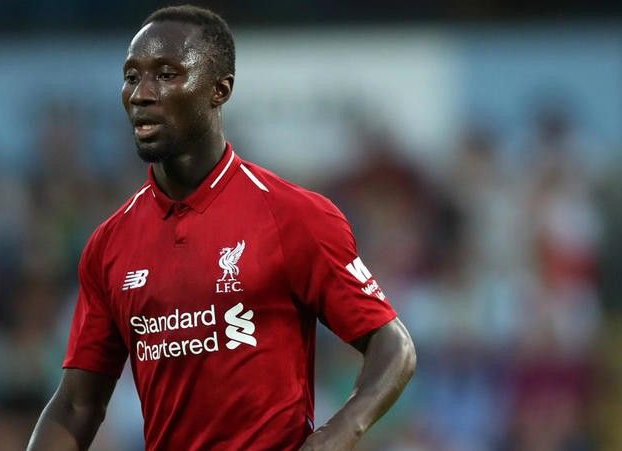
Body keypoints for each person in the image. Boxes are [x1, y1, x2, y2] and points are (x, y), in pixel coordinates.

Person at [28, 5, 416, 450]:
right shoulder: (109, 245)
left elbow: (394, 348)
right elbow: (76, 405)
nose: (141, 94)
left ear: (219, 89)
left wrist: (338, 433)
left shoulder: (294, 216)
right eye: (132, 77)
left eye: (166, 74)